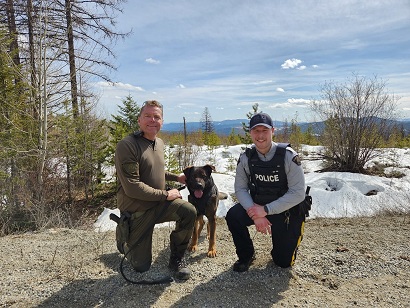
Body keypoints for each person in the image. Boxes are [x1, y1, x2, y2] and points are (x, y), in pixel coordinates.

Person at [114, 100, 197, 280]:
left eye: (157, 117)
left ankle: (177, 258)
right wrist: (166, 194)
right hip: (138, 210)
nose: (152, 120)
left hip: (158, 204)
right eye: (148, 116)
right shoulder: (127, 145)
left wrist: (176, 178)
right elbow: (132, 187)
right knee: (141, 267)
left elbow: (154, 171)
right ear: (139, 120)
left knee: (188, 211)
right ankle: (124, 240)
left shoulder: (158, 143)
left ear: (162, 121)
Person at [225, 112, 306, 272]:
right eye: (256, 131)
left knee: (283, 262)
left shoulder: (289, 157)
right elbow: (240, 189)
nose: (260, 135)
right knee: (233, 216)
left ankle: (283, 247)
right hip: (258, 205)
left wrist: (265, 210)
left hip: (287, 210)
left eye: (265, 130)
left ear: (273, 131)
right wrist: (256, 214)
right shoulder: (246, 158)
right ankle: (246, 255)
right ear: (250, 133)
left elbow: (298, 193)